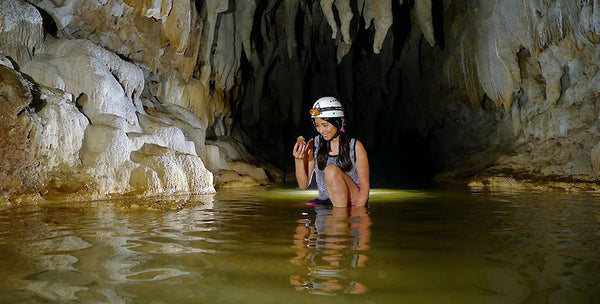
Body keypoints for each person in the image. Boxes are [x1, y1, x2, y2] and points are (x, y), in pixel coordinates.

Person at [293, 97, 370, 207]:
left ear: (338, 122)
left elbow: (364, 188)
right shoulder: (314, 144)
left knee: (330, 170)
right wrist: (299, 159)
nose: (321, 130)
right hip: (327, 202)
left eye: (325, 125)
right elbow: (303, 185)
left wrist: (359, 214)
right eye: (317, 125)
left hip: (353, 202)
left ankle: (339, 217)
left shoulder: (355, 146)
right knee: (301, 222)